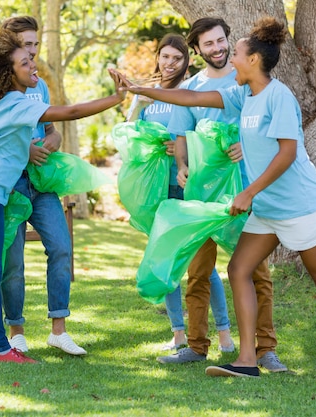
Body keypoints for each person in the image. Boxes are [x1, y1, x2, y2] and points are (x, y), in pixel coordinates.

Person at [115, 16, 316, 382]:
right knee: (238, 270)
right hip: (266, 209)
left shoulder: (278, 96)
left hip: (301, 205)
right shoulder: (243, 93)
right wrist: (138, 89)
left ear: (253, 60)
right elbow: (189, 96)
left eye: (235, 52)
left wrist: (248, 192)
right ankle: (247, 360)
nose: (229, 58)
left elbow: (286, 154)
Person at [0, 29, 125, 363]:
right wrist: (116, 98)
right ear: (9, 73)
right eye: (25, 63)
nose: (33, 66)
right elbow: (72, 112)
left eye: (31, 59)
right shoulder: (14, 103)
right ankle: (0, 348)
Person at [147, 18, 285, 371]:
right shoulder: (191, 88)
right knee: (198, 271)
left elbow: (269, 129)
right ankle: (196, 344)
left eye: (222, 40)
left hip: (245, 189)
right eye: (209, 44)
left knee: (257, 272)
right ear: (197, 50)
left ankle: (265, 348)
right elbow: (182, 135)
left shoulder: (250, 80)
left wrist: (245, 144)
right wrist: (181, 165)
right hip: (202, 194)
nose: (218, 48)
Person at [0, 16, 85, 356]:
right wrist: (22, 148)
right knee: (12, 262)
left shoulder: (37, 85)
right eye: (25, 46)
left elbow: (51, 128)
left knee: (61, 246)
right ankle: (16, 331)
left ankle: (59, 329)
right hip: (6, 183)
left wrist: (51, 141)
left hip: (40, 181)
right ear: (7, 49)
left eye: (36, 44)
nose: (33, 53)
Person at [125, 33, 235, 353]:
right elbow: (130, 135)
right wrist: (139, 110)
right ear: (157, 58)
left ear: (187, 61)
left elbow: (199, 132)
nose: (170, 63)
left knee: (202, 265)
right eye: (165, 56)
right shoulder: (147, 96)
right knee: (166, 258)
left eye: (177, 58)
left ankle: (225, 333)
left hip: (189, 184)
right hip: (158, 188)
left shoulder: (192, 91)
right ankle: (178, 333)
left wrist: (180, 149)